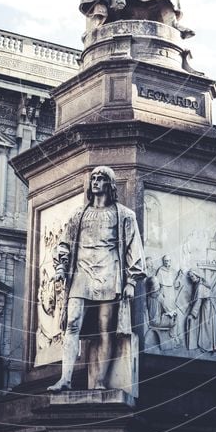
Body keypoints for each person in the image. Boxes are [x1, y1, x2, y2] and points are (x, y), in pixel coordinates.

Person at [47, 166, 146, 392]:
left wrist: (131, 281)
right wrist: (61, 267)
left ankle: (100, 380)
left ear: (109, 185)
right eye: (93, 178)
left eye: (101, 178)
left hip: (109, 276)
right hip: (81, 275)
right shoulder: (78, 215)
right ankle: (65, 379)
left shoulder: (125, 215)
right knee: (71, 325)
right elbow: (64, 244)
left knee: (105, 330)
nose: (95, 182)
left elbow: (134, 249)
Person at [185, 270, 216, 353]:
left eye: (192, 276)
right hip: (207, 306)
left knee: (207, 326)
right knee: (208, 326)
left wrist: (192, 314)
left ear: (197, 275)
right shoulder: (199, 284)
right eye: (190, 277)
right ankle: (213, 345)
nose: (191, 278)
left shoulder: (200, 286)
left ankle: (208, 346)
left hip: (207, 307)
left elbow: (198, 301)